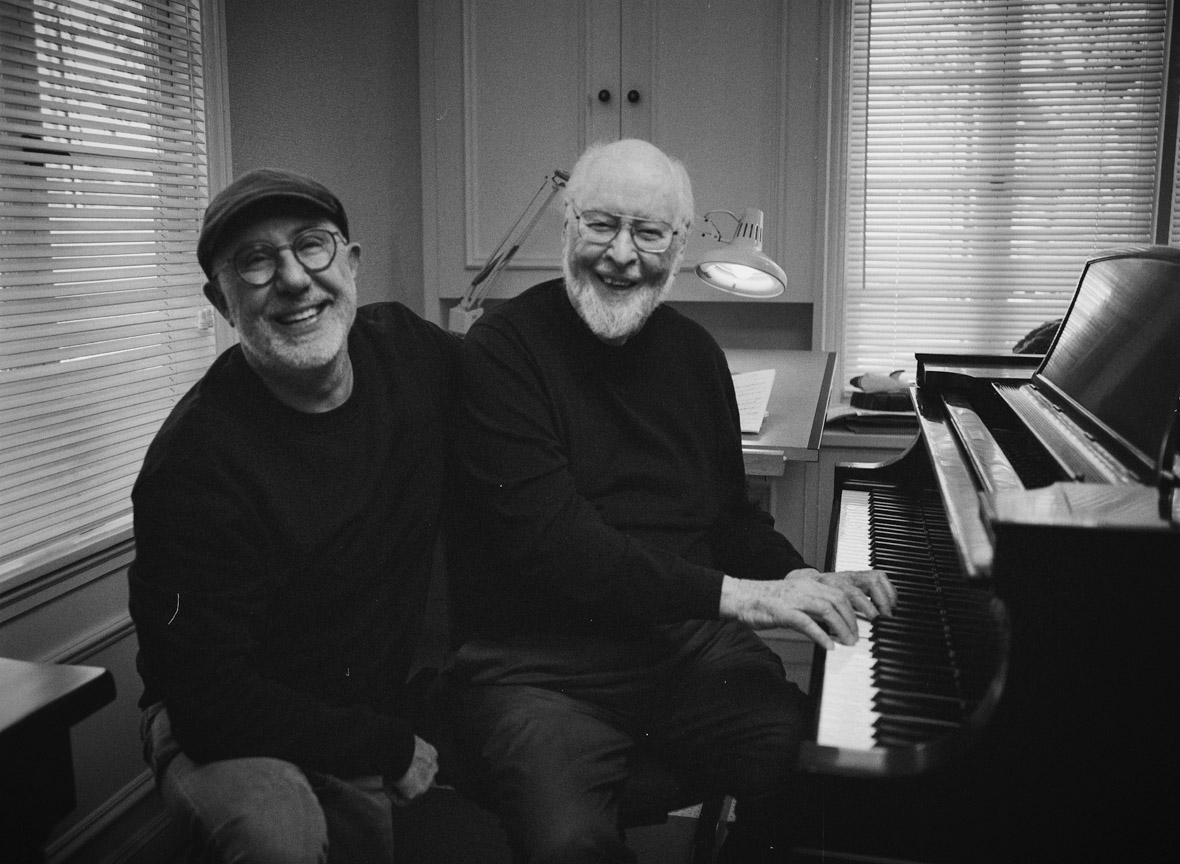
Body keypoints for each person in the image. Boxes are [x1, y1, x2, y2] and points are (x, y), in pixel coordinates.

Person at [443, 139, 897, 864]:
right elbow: (560, 544)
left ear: (678, 246)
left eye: (648, 232)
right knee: (567, 843)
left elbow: (729, 517)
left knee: (810, 763)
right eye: (601, 225)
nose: (622, 254)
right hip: (538, 667)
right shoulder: (501, 351)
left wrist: (799, 578)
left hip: (681, 649)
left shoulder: (694, 355)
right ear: (567, 225)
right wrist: (742, 598)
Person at [128, 168, 461, 863]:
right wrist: (382, 745)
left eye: (312, 246)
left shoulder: (409, 352)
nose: (293, 278)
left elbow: (524, 388)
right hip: (225, 718)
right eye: (254, 260)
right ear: (221, 300)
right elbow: (209, 698)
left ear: (352, 263)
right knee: (277, 835)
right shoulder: (191, 467)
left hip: (364, 689)